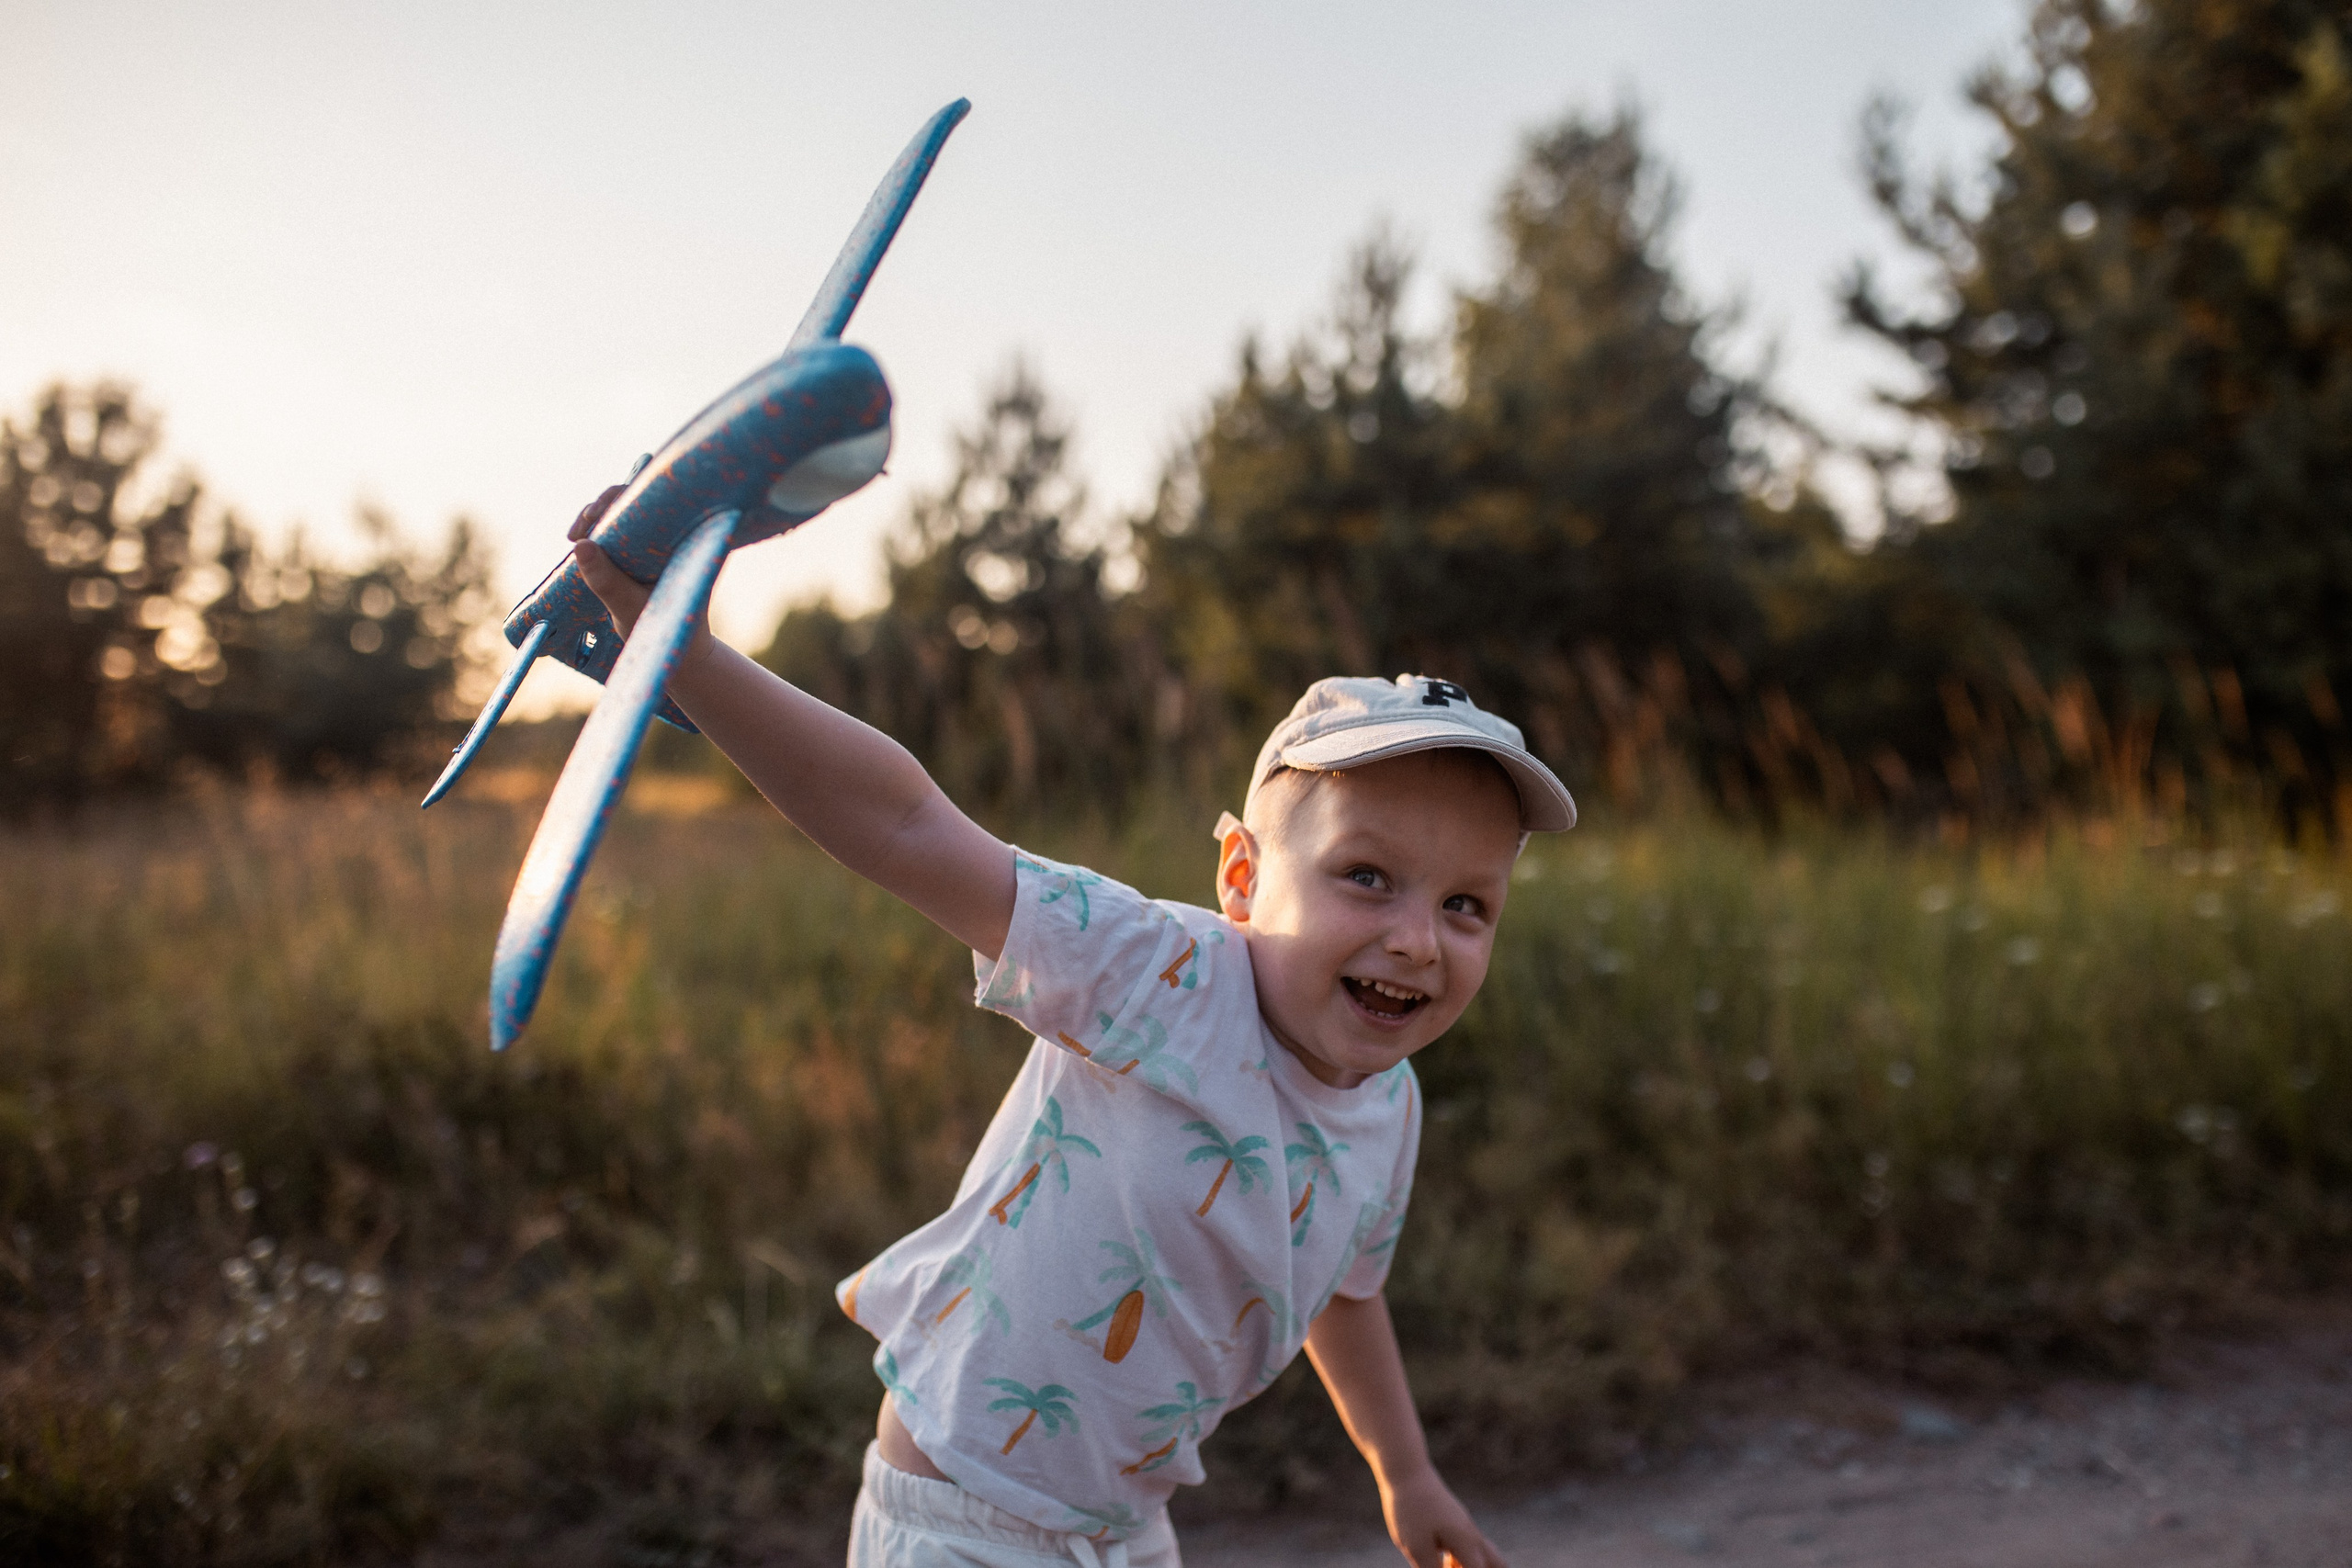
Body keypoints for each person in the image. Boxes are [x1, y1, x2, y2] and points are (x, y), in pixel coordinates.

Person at [568, 488, 1575, 1568]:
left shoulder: (1388, 1106)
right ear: (1241, 877)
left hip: (1126, 1533)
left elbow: (1345, 1290)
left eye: (1465, 905)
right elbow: (906, 825)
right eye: (1366, 877)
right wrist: (686, 655)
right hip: (964, 1519)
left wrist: (1403, 1469)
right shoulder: (1158, 973)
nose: (1419, 941)